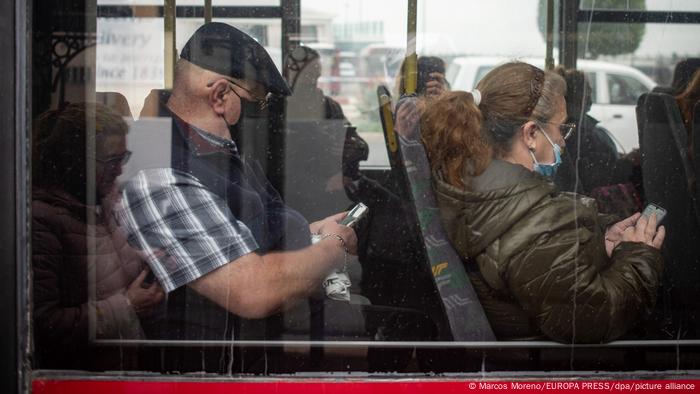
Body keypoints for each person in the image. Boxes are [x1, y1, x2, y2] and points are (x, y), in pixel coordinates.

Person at [115, 23, 357, 348]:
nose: (262, 114)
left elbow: (254, 230)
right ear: (219, 95)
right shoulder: (162, 176)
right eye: (256, 101)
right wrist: (332, 247)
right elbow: (252, 291)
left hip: (253, 343)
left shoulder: (217, 153)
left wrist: (317, 232)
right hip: (209, 362)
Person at [419, 62, 666, 343]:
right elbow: (590, 319)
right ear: (531, 134)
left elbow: (546, 264)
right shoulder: (536, 226)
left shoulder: (471, 185)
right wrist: (638, 255)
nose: (562, 140)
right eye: (561, 128)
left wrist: (601, 240)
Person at [32, 103, 164, 370]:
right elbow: (42, 324)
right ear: (74, 161)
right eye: (111, 161)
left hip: (125, 368)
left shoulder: (104, 203)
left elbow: (111, 272)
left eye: (123, 158)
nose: (119, 171)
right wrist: (127, 307)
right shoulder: (41, 222)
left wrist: (151, 263)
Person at [553, 66, 641, 216]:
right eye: (587, 90)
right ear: (576, 94)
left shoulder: (584, 125)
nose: (591, 95)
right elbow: (596, 175)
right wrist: (628, 162)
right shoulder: (577, 131)